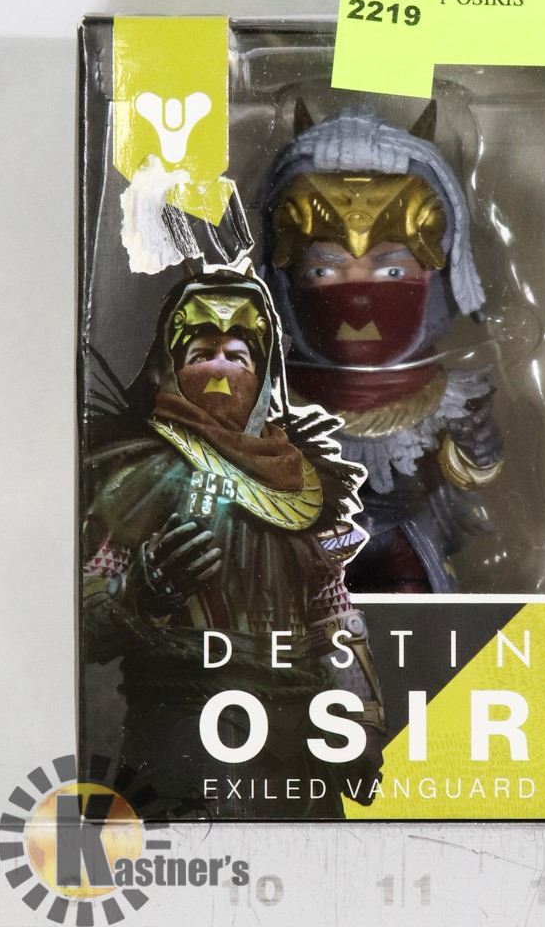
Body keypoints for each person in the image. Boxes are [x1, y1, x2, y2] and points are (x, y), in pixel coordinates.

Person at [81, 265, 385, 819]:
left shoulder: (303, 482)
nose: (220, 368)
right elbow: (84, 618)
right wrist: (137, 593)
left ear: (263, 376)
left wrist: (360, 720)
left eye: (237, 356)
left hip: (297, 734)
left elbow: (332, 614)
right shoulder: (136, 475)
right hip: (181, 728)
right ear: (169, 370)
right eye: (202, 353)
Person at [259, 102, 503, 594]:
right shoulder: (270, 400)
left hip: (407, 545)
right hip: (306, 553)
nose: (358, 299)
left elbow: (471, 476)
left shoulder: (446, 398)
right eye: (323, 270)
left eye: (392, 270)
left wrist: (477, 449)